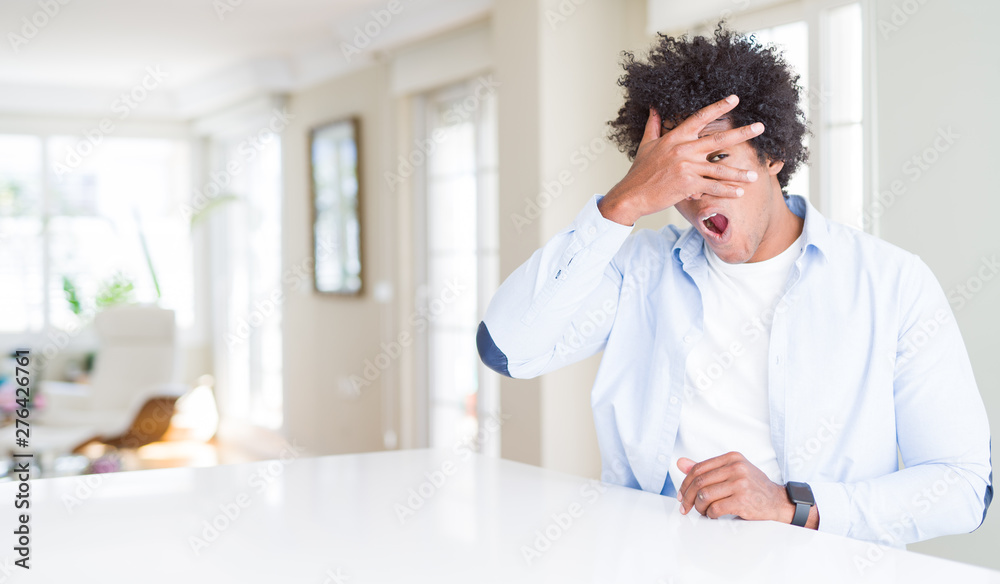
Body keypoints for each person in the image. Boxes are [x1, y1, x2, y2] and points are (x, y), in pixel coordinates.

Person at [476, 26, 992, 545]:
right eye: (676, 169)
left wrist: (793, 506)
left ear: (772, 155)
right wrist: (623, 202)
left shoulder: (891, 282)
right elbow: (506, 351)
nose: (698, 191)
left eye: (717, 159)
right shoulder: (636, 269)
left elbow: (963, 485)